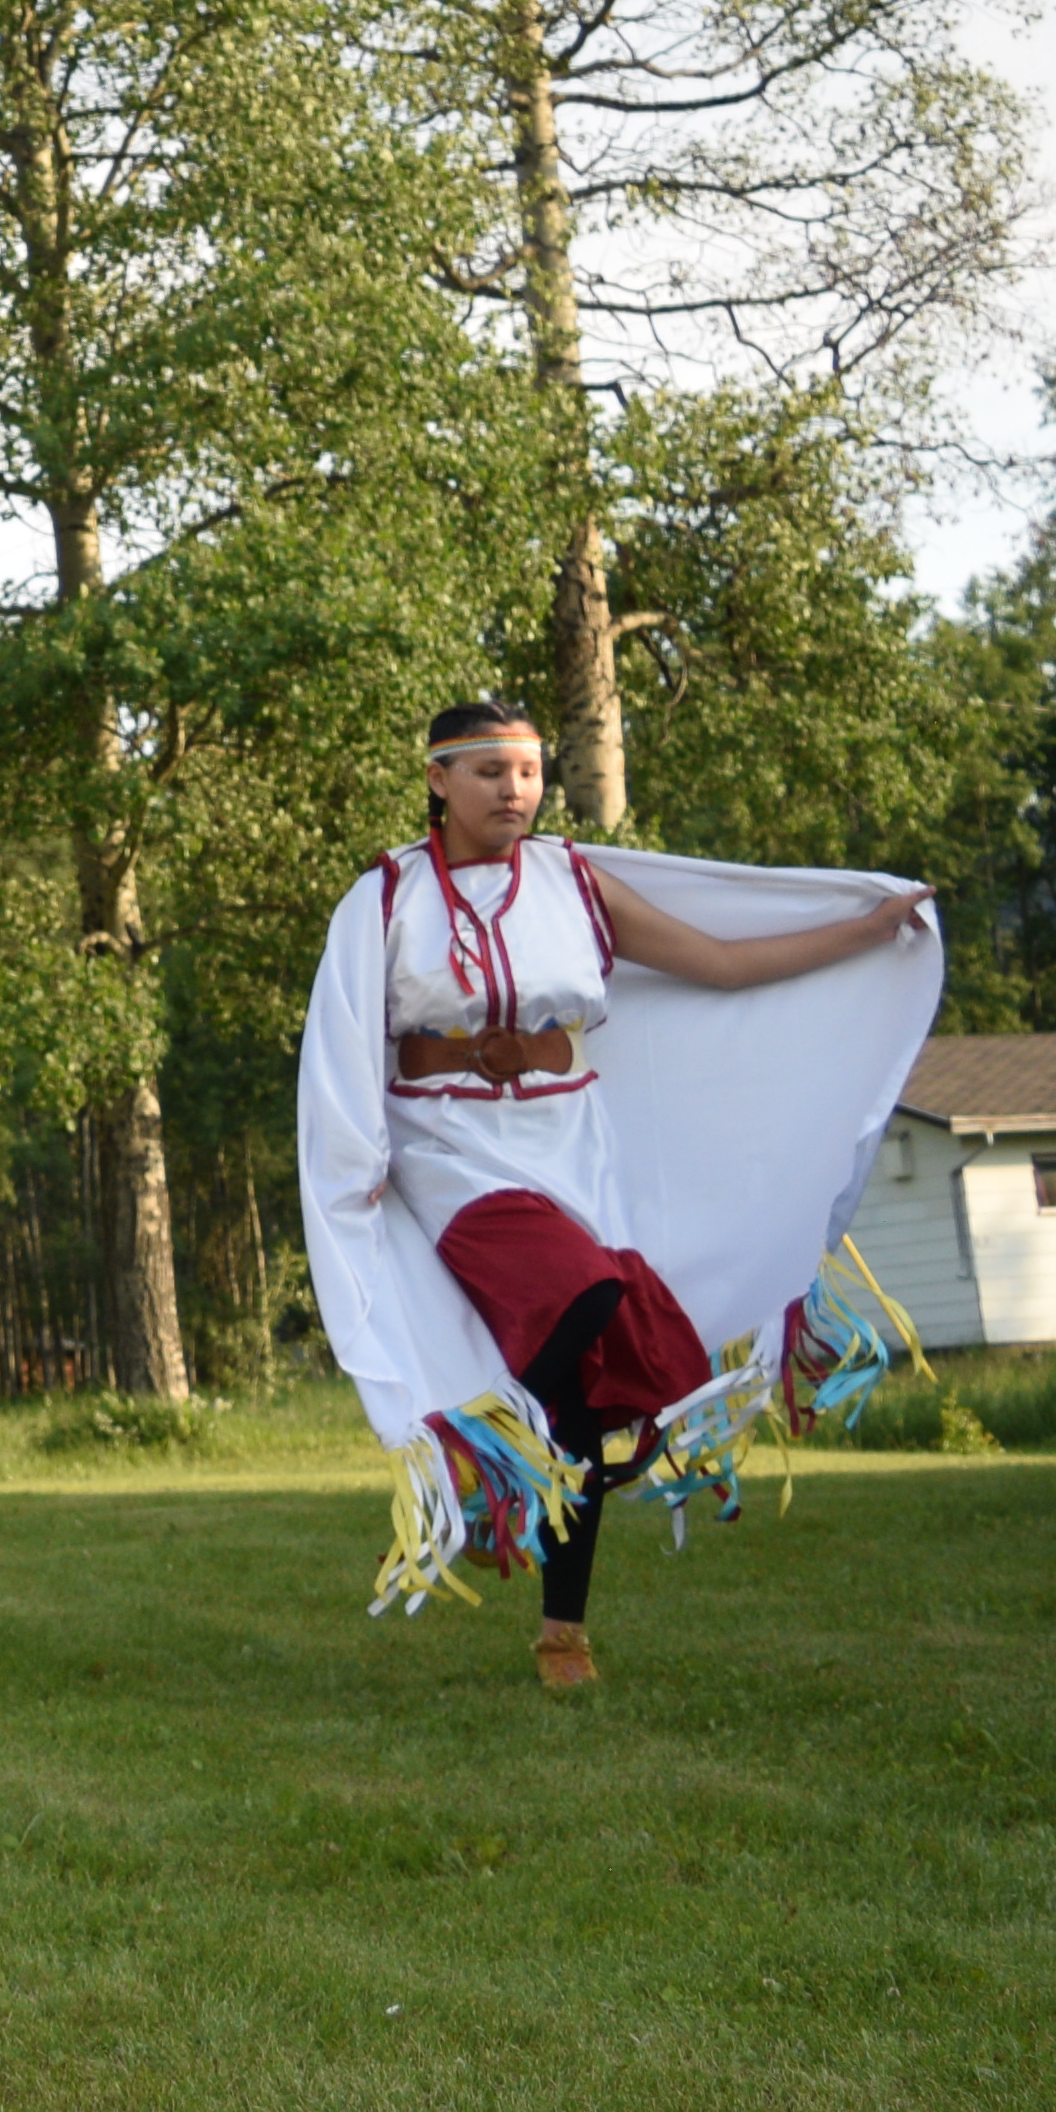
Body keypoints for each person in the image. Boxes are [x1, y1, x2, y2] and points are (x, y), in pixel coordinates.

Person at [296, 699, 942, 1692]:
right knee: (585, 1294)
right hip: (450, 1149)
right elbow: (344, 1045)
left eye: (527, 770)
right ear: (437, 778)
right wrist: (355, 1171)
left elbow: (721, 965)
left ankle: (561, 1627)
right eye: (488, 771)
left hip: (569, 1140)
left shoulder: (573, 881)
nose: (514, 789)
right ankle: (501, 1449)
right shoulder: (384, 895)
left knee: (587, 1397)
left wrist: (864, 932)